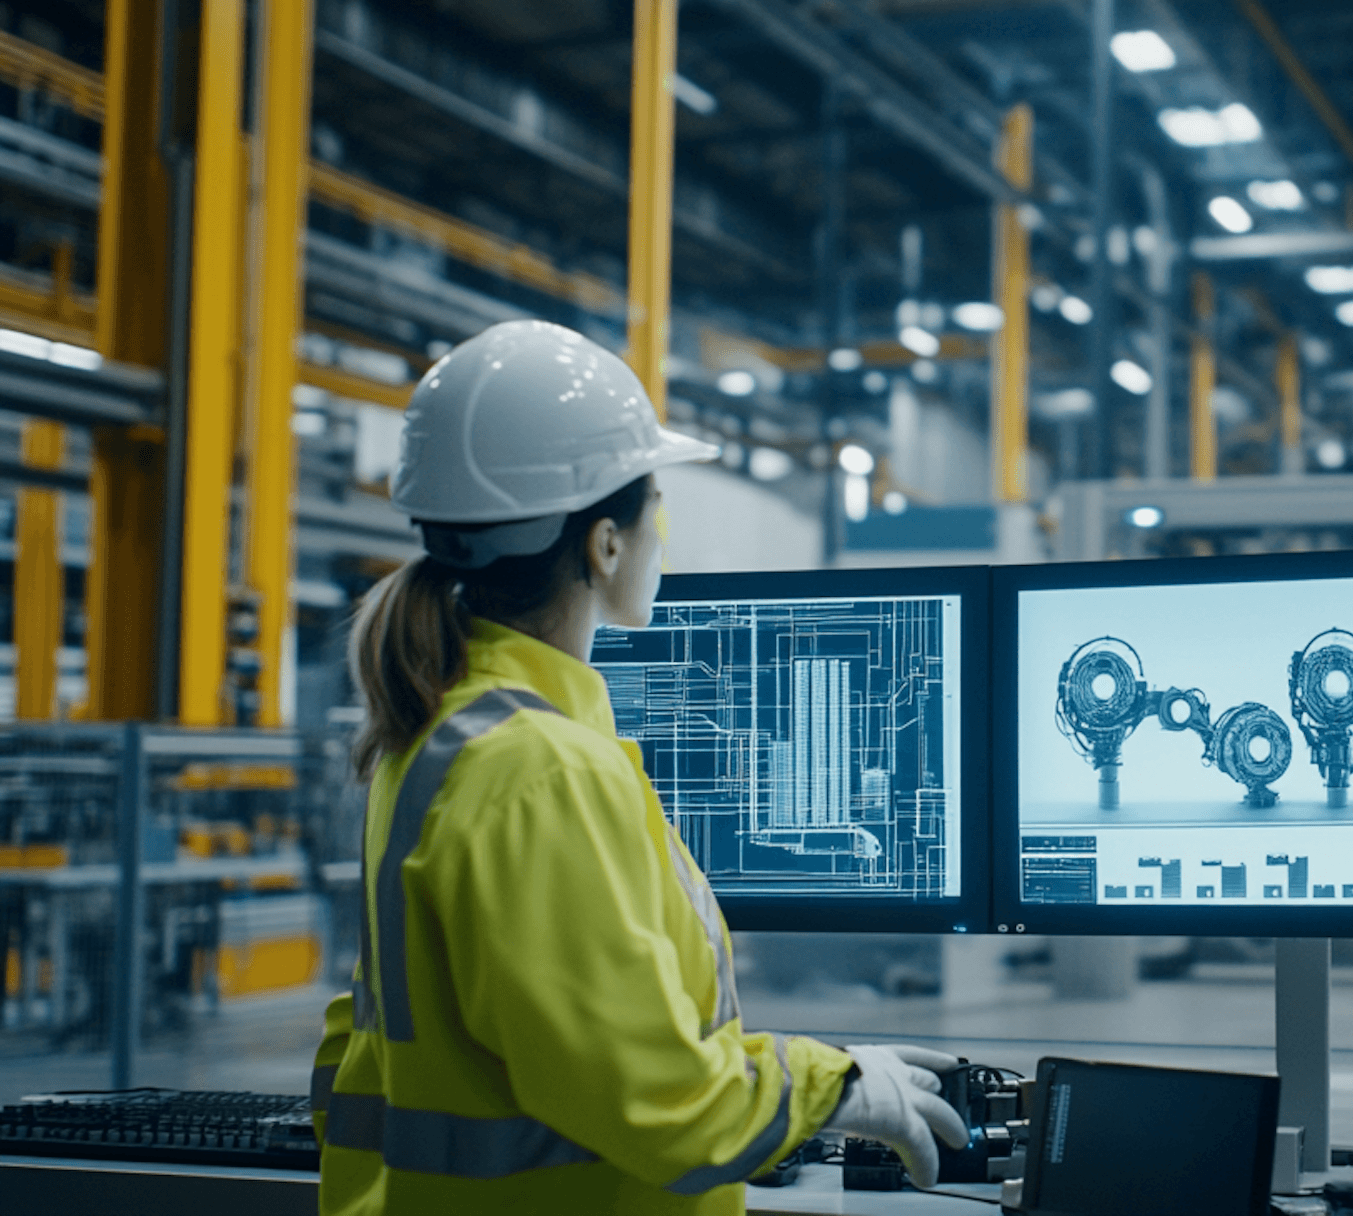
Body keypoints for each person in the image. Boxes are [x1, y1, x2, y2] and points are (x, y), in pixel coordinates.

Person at [310, 321, 966, 1214]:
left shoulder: (437, 736)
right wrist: (843, 1085)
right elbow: (661, 1103)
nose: (663, 526)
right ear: (605, 545)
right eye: (654, 500)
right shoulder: (543, 772)